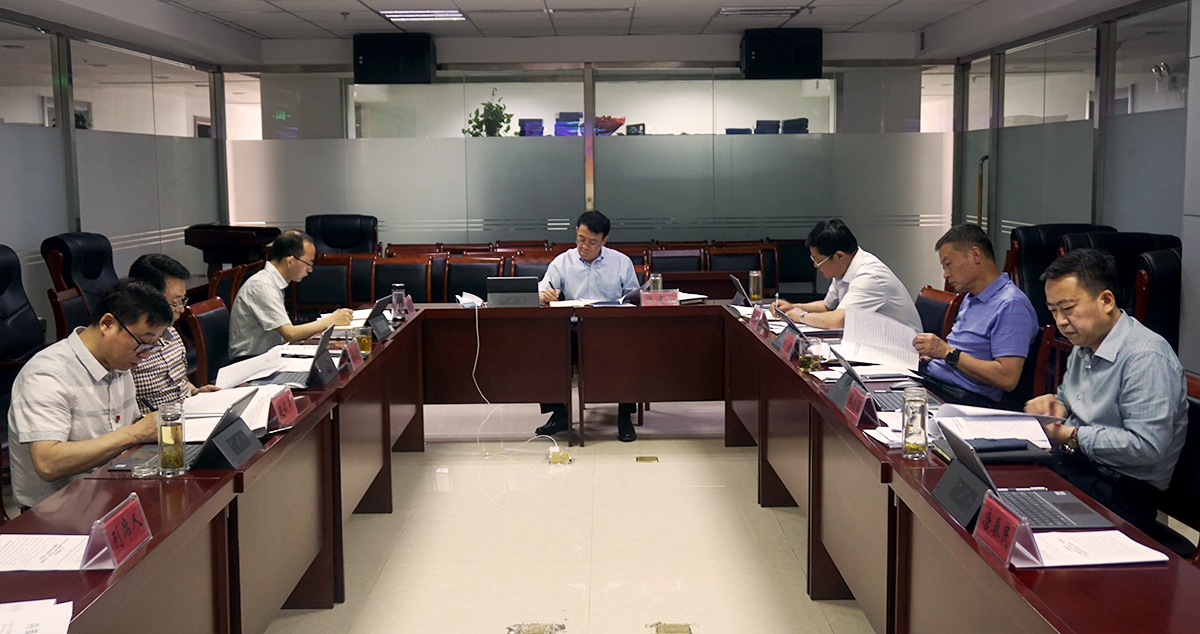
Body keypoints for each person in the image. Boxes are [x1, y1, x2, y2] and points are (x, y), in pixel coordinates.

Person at [1024, 248, 1186, 533]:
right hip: (1079, 465)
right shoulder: (1085, 343)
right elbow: (1068, 399)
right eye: (1053, 311)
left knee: (1026, 518)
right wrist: (1056, 406)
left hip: (1122, 492)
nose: (1061, 321)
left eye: (1068, 308)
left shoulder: (1145, 356)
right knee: (1003, 484)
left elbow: (1147, 447)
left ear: (1106, 300)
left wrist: (1072, 435)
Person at [8, 279, 174, 509]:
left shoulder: (119, 363)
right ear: (107, 324)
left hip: (112, 492)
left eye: (153, 346)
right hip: (57, 513)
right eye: (144, 343)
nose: (145, 355)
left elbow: (124, 432)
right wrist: (135, 433)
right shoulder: (47, 375)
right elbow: (48, 463)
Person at [536, 210, 641, 442]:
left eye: (592, 242)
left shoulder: (621, 262)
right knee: (545, 350)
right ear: (576, 232)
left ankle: (624, 416)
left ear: (604, 241)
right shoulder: (563, 261)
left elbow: (634, 298)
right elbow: (541, 290)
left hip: (611, 328)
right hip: (574, 328)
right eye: (581, 239)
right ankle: (559, 413)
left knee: (630, 350)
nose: (584, 246)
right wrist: (545, 295)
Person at [911, 224, 1038, 407]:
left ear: (975, 255)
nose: (946, 274)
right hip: (934, 382)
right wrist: (934, 355)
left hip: (962, 399)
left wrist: (947, 353)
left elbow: (1007, 378)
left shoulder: (1011, 304)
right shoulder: (971, 297)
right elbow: (962, 351)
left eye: (948, 264)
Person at [772, 218, 921, 331]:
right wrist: (792, 307)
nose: (815, 266)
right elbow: (827, 306)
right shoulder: (844, 269)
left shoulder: (869, 276)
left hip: (903, 351)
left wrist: (800, 316)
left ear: (839, 256)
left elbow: (836, 321)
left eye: (818, 261)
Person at [229, 230, 353, 360]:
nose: (310, 270)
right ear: (290, 261)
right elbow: (290, 334)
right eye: (308, 263)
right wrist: (330, 320)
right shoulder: (262, 285)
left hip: (269, 355)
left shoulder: (271, 281)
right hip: (250, 361)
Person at [128, 254, 220, 414]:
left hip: (191, 414)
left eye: (182, 301)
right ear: (148, 298)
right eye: (175, 302)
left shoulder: (171, 332)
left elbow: (181, 380)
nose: (181, 309)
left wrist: (196, 392)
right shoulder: (127, 350)